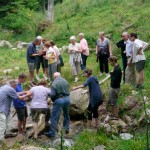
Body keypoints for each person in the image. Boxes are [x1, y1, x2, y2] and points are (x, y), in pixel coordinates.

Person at [45, 72, 70, 138]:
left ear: (55, 77)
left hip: (59, 100)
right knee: (66, 114)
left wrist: (49, 94)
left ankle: (52, 133)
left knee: (54, 117)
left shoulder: (54, 83)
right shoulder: (65, 81)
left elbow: (52, 94)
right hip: (67, 99)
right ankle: (66, 129)